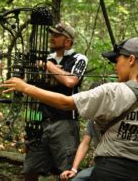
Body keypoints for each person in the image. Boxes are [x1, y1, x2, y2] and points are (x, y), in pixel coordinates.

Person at [2, 37, 138, 181]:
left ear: (131, 59)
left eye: (118, 59)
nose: (115, 65)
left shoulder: (114, 91)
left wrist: (26, 88)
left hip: (112, 171)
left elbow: (67, 102)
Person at [22, 22, 88, 181]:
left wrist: (48, 66)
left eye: (57, 35)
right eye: (51, 34)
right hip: (40, 122)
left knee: (66, 172)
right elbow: (32, 89)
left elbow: (71, 81)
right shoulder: (45, 59)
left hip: (65, 122)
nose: (52, 38)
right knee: (30, 168)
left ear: (68, 41)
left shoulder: (78, 58)